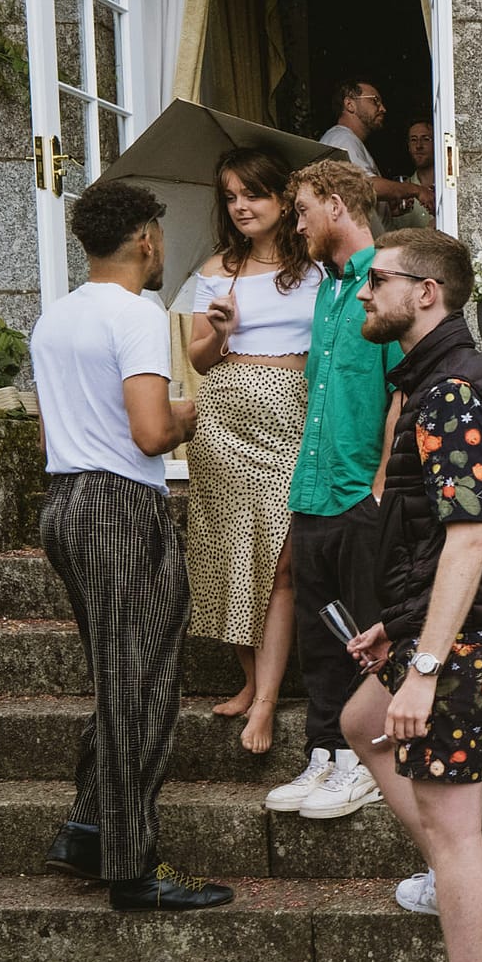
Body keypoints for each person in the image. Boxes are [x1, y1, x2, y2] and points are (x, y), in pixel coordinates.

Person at [341, 228, 482, 962]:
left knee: (454, 821)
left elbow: (469, 540)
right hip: (449, 622)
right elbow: (439, 540)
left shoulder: (451, 390)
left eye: (376, 280)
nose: (362, 294)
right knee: (360, 721)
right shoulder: (436, 380)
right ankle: (450, 881)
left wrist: (424, 667)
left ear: (427, 293)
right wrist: (404, 624)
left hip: (469, 638)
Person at [31, 179, 232, 911]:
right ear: (146, 239)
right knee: (143, 686)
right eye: (159, 234)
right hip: (120, 506)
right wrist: (187, 414)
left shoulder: (55, 320)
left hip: (66, 505)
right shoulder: (139, 314)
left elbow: (56, 433)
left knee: (120, 678)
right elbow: (150, 433)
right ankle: (132, 865)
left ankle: (87, 829)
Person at [263, 160, 399, 820]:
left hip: (359, 495)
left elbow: (404, 391)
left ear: (338, 205)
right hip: (313, 491)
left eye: (303, 210)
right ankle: (324, 755)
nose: (297, 224)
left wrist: (379, 486)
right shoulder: (325, 291)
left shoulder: (388, 281)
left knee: (362, 636)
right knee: (321, 638)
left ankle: (364, 761)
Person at [185, 147, 324, 754]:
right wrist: (220, 328)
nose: (240, 206)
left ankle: (266, 703)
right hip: (223, 423)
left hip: (292, 420)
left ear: (281, 198)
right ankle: (250, 683)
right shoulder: (217, 267)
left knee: (281, 562)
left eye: (253, 195)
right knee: (233, 555)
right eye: (231, 196)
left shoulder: (319, 267)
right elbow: (197, 358)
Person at [318, 79, 433, 220]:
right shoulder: (343, 139)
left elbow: (353, 195)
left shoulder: (344, 139)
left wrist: (385, 210)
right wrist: (417, 190)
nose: (383, 108)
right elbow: (366, 185)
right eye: (375, 101)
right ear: (350, 104)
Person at [385, 119, 436, 231]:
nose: (418, 146)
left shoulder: (447, 190)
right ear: (408, 147)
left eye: (425, 139)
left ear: (437, 143)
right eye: (413, 140)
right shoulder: (401, 192)